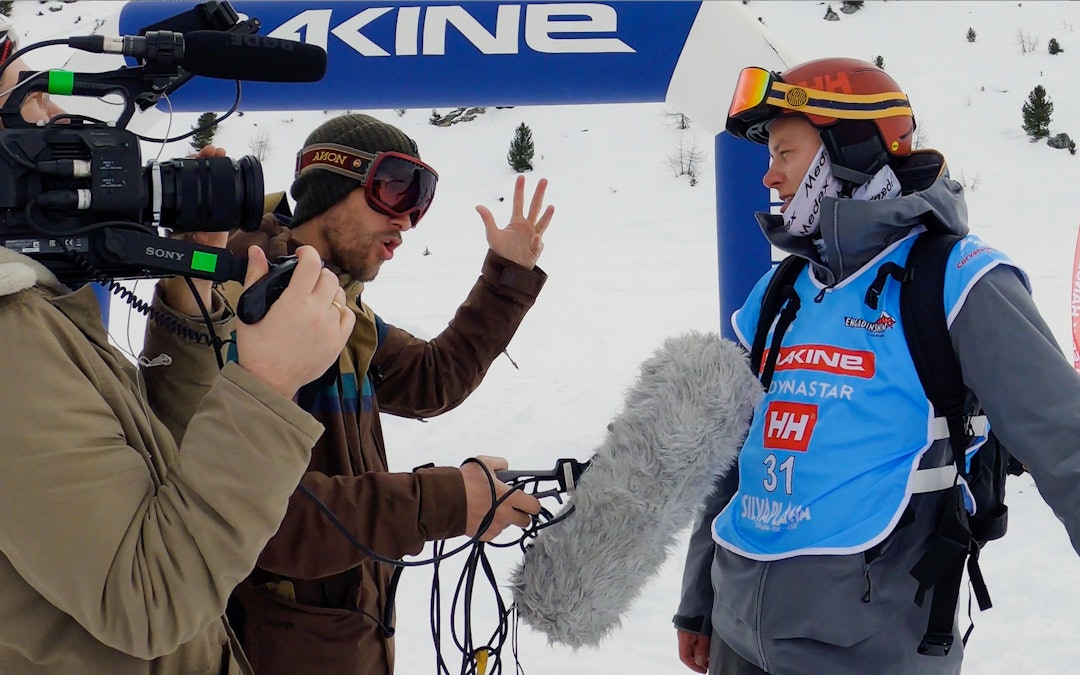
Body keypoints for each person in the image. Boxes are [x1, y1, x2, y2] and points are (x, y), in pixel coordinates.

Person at [674, 57, 1080, 675]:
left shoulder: (958, 282)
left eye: (785, 153)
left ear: (850, 149)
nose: (769, 177)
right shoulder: (782, 292)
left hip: (873, 648)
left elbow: (1066, 441)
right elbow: (736, 457)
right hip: (739, 636)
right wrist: (700, 601)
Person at [0, 30, 358, 674]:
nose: (56, 120)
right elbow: (148, 599)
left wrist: (186, 310)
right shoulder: (8, 336)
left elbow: (161, 477)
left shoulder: (35, 309)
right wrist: (268, 389)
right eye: (30, 107)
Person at [221, 113, 550, 675]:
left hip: (342, 635)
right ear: (329, 185)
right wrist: (442, 502)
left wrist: (507, 276)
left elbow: (431, 379)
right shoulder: (240, 304)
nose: (406, 220)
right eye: (395, 190)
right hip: (264, 648)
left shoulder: (335, 304)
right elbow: (254, 520)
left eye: (418, 202)